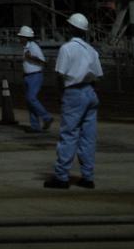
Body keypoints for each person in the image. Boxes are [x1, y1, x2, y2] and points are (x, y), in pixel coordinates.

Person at [43, 12, 103, 189]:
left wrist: (61, 95)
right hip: (90, 92)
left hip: (73, 92)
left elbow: (60, 75)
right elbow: (98, 76)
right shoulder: (91, 50)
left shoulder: (66, 49)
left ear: (71, 29)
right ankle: (88, 177)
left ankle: (62, 177)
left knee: (69, 135)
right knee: (88, 137)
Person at [18, 24, 53, 133]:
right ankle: (35, 126)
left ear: (26, 37)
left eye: (21, 37)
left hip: (35, 75)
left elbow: (43, 62)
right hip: (28, 76)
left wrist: (30, 58)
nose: (19, 39)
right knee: (30, 102)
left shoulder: (33, 47)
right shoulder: (27, 47)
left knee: (31, 98)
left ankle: (46, 117)